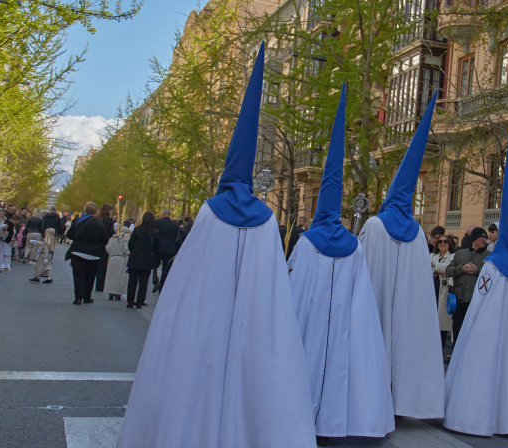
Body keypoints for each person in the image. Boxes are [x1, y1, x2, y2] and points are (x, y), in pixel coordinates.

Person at [117, 46, 316, 448]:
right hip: (254, 321)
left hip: (204, 317)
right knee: (253, 370)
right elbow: (271, 283)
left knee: (198, 367)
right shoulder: (265, 220)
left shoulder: (210, 211)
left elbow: (188, 275)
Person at [287, 86, 394, 438]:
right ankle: (339, 420)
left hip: (308, 326)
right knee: (342, 363)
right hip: (348, 325)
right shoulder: (354, 246)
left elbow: (293, 289)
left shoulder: (306, 243)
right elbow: (362, 298)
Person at [444, 124, 508, 436]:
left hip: (488, 331)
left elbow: (481, 303)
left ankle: (478, 413)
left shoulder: (492, 264)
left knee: (486, 363)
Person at [357, 92, 445, 420]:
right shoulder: (418, 233)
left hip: (375, 303)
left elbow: (362, 269)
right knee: (406, 338)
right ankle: (405, 400)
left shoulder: (374, 226)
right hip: (408, 308)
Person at [446, 226, 490, 344]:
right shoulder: (460, 253)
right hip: (460, 300)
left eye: (485, 238)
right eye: (481, 237)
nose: (484, 240)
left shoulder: (489, 256)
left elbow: (492, 276)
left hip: (477, 301)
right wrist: (462, 268)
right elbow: (448, 270)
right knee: (458, 330)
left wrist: (477, 270)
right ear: (474, 238)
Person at [66, 202, 109, 305]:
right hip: (93, 254)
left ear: (86, 211)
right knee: (90, 276)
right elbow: (105, 239)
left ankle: (78, 298)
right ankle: (87, 297)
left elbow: (69, 235)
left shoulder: (78, 221)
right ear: (96, 212)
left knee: (78, 276)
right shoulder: (99, 224)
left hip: (78, 252)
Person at [126, 212, 159, 309]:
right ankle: (140, 302)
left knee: (132, 281)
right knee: (143, 282)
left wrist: (133, 251)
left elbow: (130, 243)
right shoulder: (155, 232)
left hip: (135, 258)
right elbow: (156, 247)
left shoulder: (137, 229)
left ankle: (130, 301)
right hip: (147, 259)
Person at [432, 236, 454, 346]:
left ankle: (441, 346)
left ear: (450, 244)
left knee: (442, 322)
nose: (443, 243)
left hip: (444, 289)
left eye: (446, 241)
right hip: (433, 287)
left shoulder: (453, 256)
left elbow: (449, 268)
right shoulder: (433, 255)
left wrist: (435, 265)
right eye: (440, 241)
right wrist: (440, 269)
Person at [152, 210, 178, 293]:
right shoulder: (175, 225)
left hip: (158, 247)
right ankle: (162, 287)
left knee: (153, 265)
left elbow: (154, 234)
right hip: (170, 249)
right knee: (166, 269)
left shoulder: (157, 222)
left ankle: (155, 280)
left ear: (163, 214)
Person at [104, 226, 132, 301]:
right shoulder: (126, 239)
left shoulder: (112, 238)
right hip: (122, 259)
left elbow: (107, 248)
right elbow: (126, 250)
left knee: (111, 277)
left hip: (113, 259)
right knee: (119, 277)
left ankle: (111, 293)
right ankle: (118, 293)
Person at [94, 204, 115, 293]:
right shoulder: (109, 220)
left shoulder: (97, 219)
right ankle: (100, 285)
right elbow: (111, 232)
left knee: (94, 265)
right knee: (102, 266)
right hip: (104, 245)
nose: (110, 212)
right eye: (110, 210)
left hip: (96, 244)